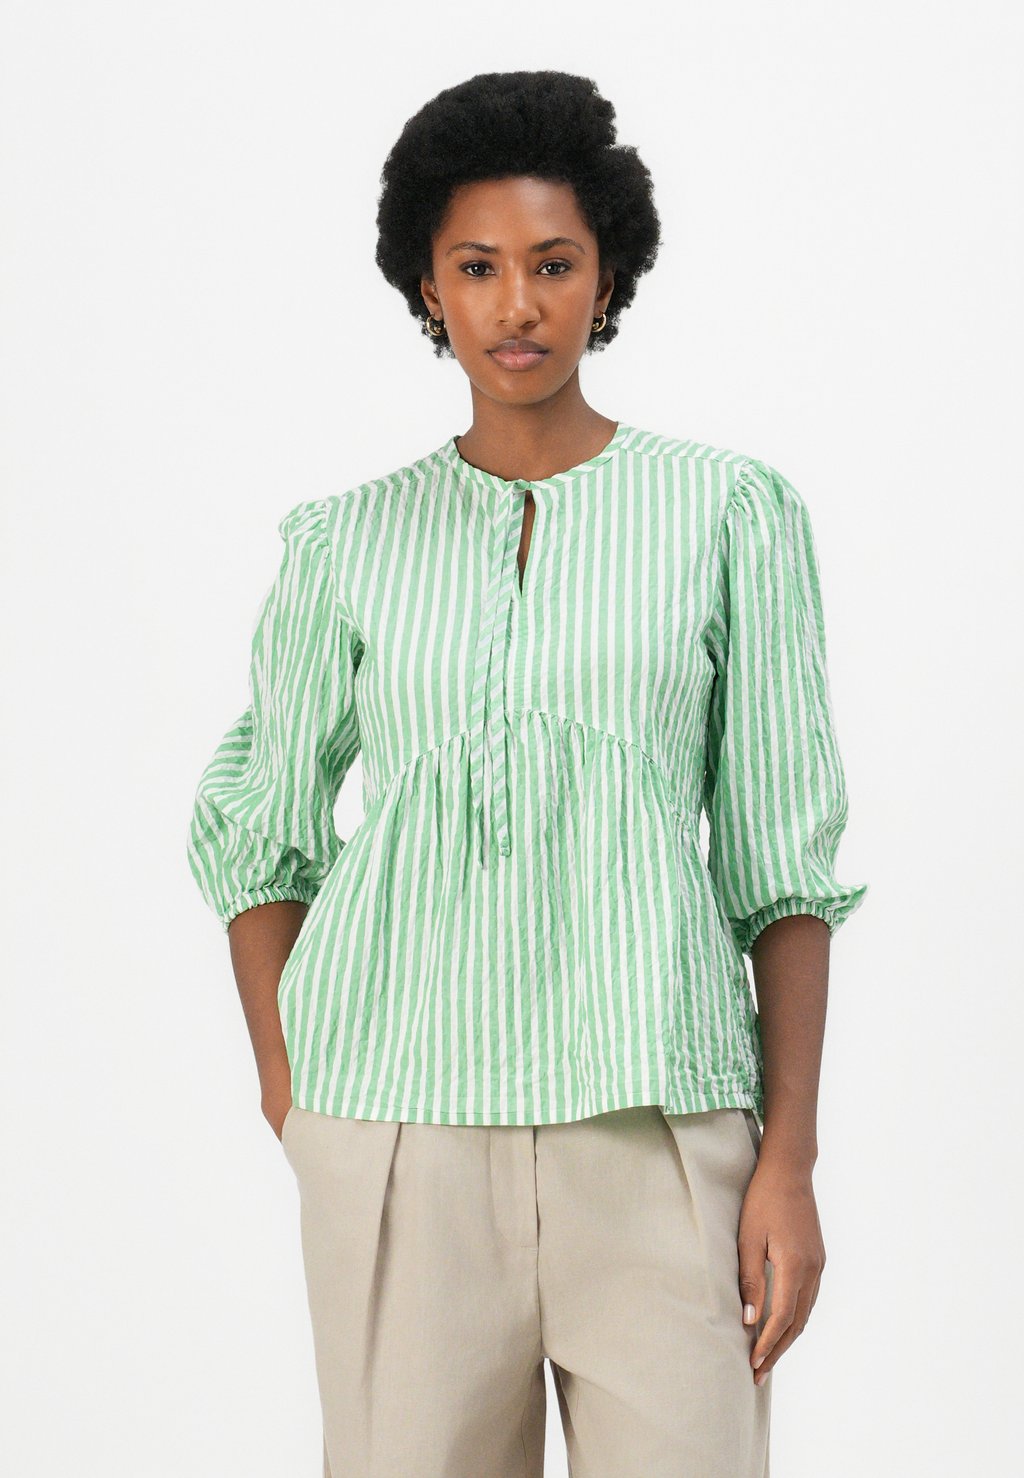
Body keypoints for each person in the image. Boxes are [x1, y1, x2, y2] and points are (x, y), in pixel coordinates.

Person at [186, 69, 867, 1478]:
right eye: (478, 267)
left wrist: (787, 1158)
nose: (517, 305)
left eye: (553, 264)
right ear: (427, 287)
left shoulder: (727, 513)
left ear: (606, 274)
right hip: (399, 1131)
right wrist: (290, 1089)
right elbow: (260, 831)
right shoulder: (344, 543)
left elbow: (781, 864)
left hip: (658, 1126)